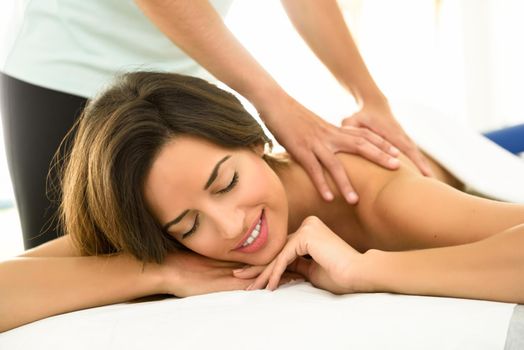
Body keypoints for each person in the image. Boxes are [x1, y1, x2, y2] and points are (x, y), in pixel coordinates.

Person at [1, 71, 523, 333]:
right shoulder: (165, 214)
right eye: (188, 226)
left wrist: (366, 269)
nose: (229, 228)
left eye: (226, 183)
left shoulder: (371, 196)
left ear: (254, 139)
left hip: (435, 147)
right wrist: (157, 274)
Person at [0, 0, 431, 250]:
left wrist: (368, 96)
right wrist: (274, 103)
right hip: (63, 76)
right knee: (79, 284)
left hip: (167, 81)